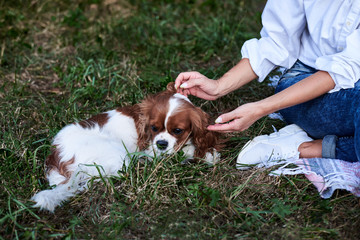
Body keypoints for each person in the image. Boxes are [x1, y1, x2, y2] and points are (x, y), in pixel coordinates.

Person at [174, 0, 360, 168]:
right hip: (303, 83)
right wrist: (219, 86)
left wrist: (259, 109)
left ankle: (311, 148)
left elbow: (347, 66)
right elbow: (276, 42)